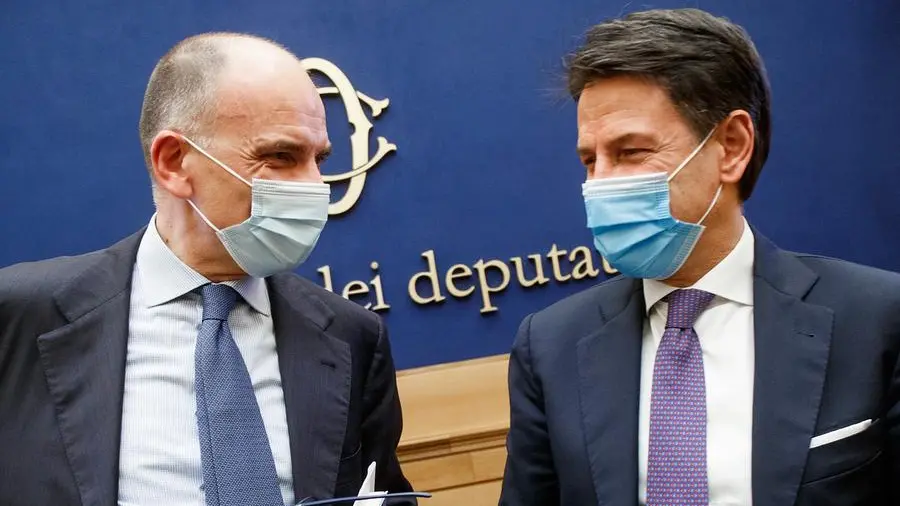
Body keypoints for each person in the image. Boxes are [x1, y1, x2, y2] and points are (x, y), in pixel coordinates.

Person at [500, 8, 899, 506]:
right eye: (589, 160)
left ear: (732, 146)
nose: (599, 184)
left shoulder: (878, 320)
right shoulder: (549, 346)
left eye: (630, 152)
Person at [0, 33, 414, 506]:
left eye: (318, 159)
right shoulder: (20, 317)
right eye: (281, 156)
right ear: (174, 162)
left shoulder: (352, 337)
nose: (315, 186)